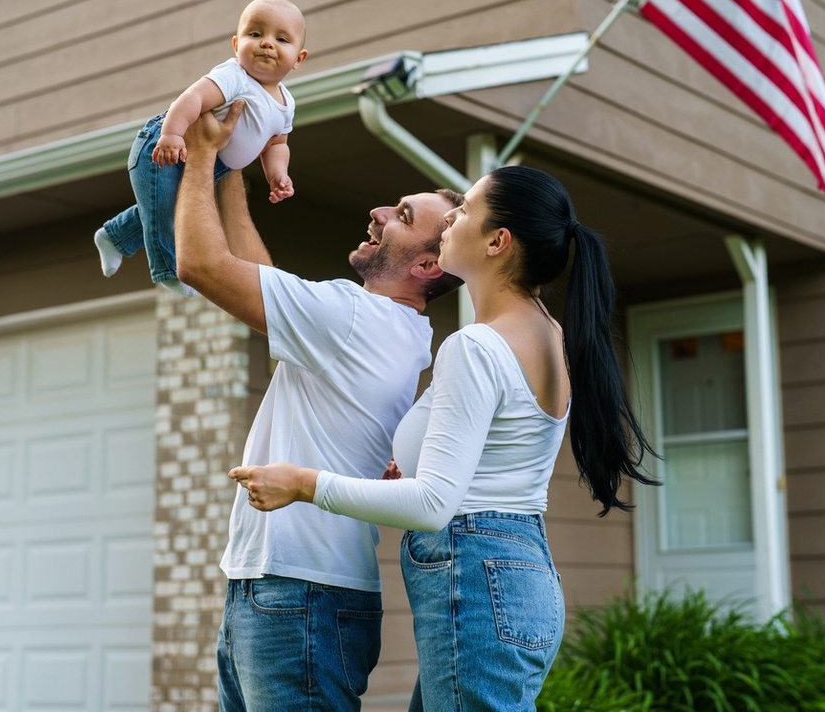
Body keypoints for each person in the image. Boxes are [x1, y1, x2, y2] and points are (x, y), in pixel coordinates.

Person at [231, 164, 658, 711]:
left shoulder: (477, 346)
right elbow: (485, 464)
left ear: (498, 241)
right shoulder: (548, 332)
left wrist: (305, 483)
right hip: (519, 571)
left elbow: (435, 503)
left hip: (478, 579)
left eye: (466, 212)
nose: (451, 219)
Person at [173, 100, 464, 712]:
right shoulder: (396, 329)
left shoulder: (355, 317)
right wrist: (233, 170)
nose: (380, 212)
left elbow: (200, 264)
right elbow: (257, 277)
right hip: (292, 590)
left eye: (403, 215)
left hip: (298, 593)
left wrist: (200, 153)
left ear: (427, 264)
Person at [95, 0, 309, 296]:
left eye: (281, 39)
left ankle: (114, 237)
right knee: (167, 213)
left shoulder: (287, 103)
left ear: (298, 58)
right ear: (236, 44)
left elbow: (277, 144)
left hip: (211, 166)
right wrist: (170, 135)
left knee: (163, 207)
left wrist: (278, 174)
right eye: (255, 34)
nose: (267, 44)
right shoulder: (235, 76)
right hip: (166, 148)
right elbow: (192, 99)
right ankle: (168, 270)